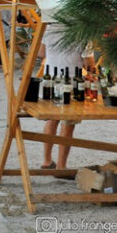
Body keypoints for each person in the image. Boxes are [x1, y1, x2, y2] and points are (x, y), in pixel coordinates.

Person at [40, 24, 94, 172]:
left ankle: (46, 160)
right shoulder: (82, 30)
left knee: (52, 119)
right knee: (68, 123)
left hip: (50, 79)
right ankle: (61, 166)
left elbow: (41, 53)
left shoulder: (49, 27)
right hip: (71, 81)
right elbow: (89, 64)